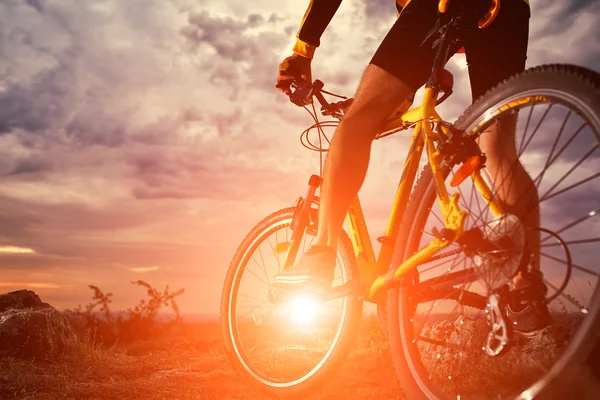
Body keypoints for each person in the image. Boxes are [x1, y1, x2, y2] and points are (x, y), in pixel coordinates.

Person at [273, 0, 550, 334]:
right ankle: (526, 287)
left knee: (359, 118)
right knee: (498, 147)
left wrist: (302, 50)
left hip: (442, 6)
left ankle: (321, 252)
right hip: (507, 12)